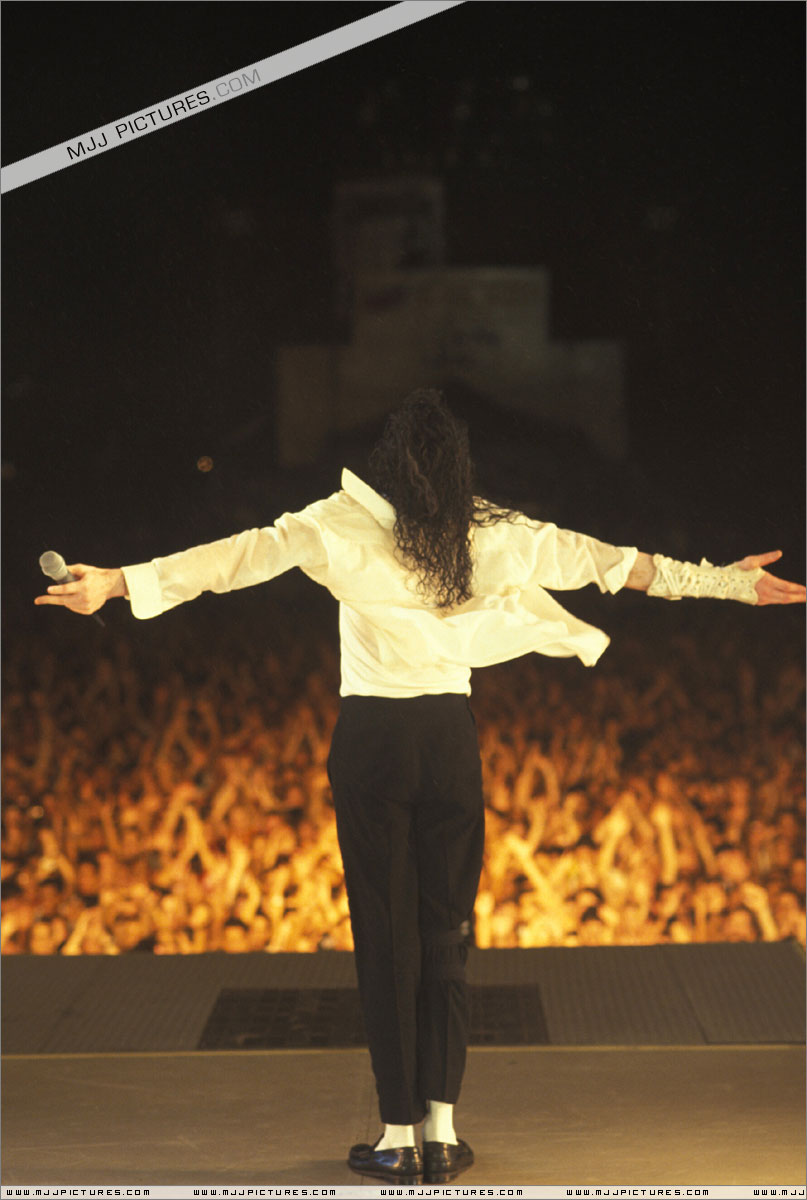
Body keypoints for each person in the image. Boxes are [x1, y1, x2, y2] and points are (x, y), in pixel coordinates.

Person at [34, 388, 805, 1184]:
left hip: (372, 741)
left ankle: (397, 1135)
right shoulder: (497, 531)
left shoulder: (337, 522)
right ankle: (442, 1130)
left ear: (387, 464)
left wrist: (116, 583)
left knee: (387, 938)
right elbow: (617, 566)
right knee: (446, 936)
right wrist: (727, 585)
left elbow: (231, 560)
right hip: (447, 743)